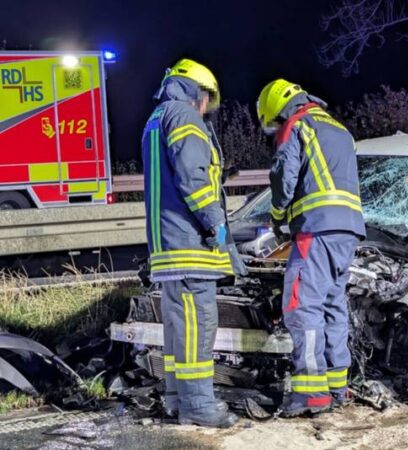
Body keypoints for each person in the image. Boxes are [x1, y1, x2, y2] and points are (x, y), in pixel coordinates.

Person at [256, 79, 365, 417]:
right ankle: (337, 384)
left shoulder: (296, 125)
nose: (275, 129)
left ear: (276, 109)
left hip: (316, 229)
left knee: (302, 307)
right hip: (348, 231)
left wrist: (277, 217)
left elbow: (283, 177)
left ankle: (311, 392)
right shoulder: (338, 128)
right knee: (333, 306)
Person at [142, 58, 238, 428]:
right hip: (187, 244)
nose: (207, 108)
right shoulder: (184, 117)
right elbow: (193, 178)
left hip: (166, 246)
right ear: (198, 91)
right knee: (199, 325)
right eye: (207, 100)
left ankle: (174, 398)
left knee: (177, 328)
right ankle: (197, 405)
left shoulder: (157, 119)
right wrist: (217, 225)